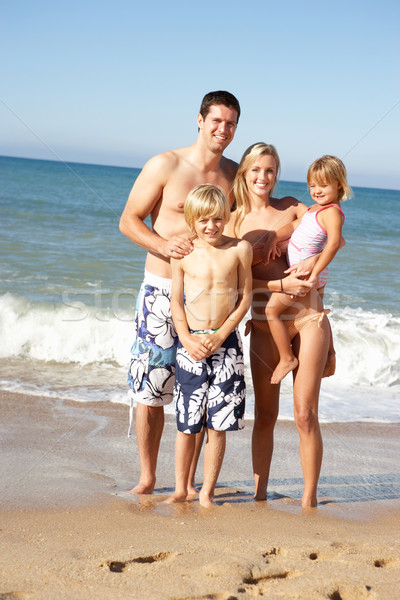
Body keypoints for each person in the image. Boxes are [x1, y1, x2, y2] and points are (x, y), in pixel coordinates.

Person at [119, 91, 241, 494]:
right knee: (152, 386)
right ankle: (148, 476)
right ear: (200, 120)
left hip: (211, 300)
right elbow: (129, 221)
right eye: (217, 121)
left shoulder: (234, 175)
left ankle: (192, 485)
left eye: (231, 123)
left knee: (203, 391)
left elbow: (251, 221)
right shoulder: (165, 164)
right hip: (161, 290)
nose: (223, 129)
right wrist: (162, 245)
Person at [225, 142, 334, 508]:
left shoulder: (293, 207)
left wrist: (314, 261)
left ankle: (309, 499)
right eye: (256, 169)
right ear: (244, 172)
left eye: (270, 170)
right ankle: (259, 495)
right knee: (266, 415)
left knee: (305, 413)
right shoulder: (233, 221)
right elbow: (232, 284)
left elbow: (336, 236)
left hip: (307, 317)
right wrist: (279, 285)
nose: (263, 177)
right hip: (263, 323)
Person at [166, 184, 252, 507]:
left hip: (226, 344)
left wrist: (222, 333)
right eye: (203, 220)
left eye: (217, 219)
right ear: (192, 220)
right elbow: (176, 301)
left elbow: (244, 299)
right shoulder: (184, 254)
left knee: (219, 424)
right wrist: (186, 338)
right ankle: (179, 490)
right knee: (187, 424)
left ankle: (207, 492)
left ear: (226, 217)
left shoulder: (240, 250)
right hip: (190, 345)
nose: (211, 226)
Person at [265, 155, 352, 384]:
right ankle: (330, 353)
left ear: (339, 186)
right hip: (311, 273)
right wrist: (274, 237)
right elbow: (295, 225)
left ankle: (287, 358)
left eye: (323, 185)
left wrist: (313, 275)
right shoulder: (315, 208)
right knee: (319, 311)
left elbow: (334, 243)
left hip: (305, 274)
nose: (316, 190)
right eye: (312, 185)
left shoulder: (332, 212)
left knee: (271, 311)